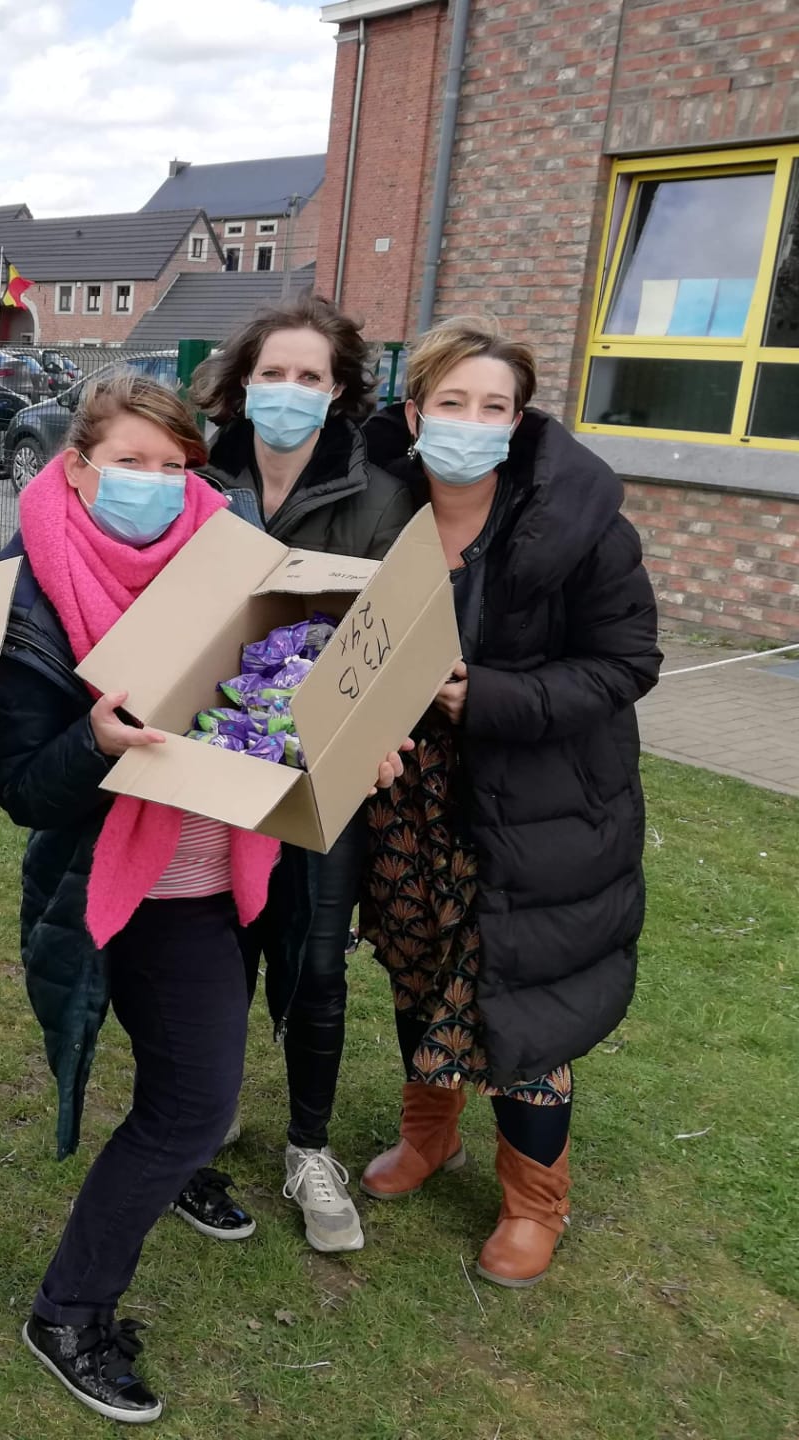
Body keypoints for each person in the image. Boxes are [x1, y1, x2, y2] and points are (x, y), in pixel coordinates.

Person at [0, 372, 403, 1423]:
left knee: (185, 1083)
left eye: (175, 465)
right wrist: (96, 743)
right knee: (195, 1106)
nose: (157, 483)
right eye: (131, 463)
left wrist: (357, 741)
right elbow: (23, 791)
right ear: (79, 466)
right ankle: (68, 1313)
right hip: (129, 885)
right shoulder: (25, 593)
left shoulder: (237, 556)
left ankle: (164, 1191)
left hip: (239, 866)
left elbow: (283, 697)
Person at [353, 316, 660, 1288]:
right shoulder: (378, 506)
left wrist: (490, 696)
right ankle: (429, 1133)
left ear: (519, 422)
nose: (472, 422)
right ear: (415, 414)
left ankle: (535, 1201)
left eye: (495, 406)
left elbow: (626, 663)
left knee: (520, 998)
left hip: (534, 806)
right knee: (418, 969)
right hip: (408, 801)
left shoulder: (577, 527)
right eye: (453, 402)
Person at [176, 296, 417, 1255]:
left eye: (309, 376)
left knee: (316, 963)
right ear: (242, 384)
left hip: (324, 771)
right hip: (212, 755)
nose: (288, 391)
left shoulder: (380, 496)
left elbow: (397, 634)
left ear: (339, 390)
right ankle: (208, 1110)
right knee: (216, 955)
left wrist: (378, 729)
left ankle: (309, 1148)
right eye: (271, 373)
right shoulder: (197, 479)